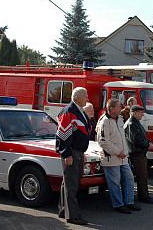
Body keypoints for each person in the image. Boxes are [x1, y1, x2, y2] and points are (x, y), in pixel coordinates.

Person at [96, 98, 141, 214]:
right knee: (115, 182)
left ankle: (129, 202)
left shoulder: (120, 119)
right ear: (111, 109)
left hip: (122, 157)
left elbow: (122, 137)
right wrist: (117, 152)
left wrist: (124, 152)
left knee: (129, 178)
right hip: (111, 158)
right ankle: (118, 204)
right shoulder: (104, 121)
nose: (121, 108)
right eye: (118, 107)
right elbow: (103, 141)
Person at [56, 87, 91, 226]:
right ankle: (73, 216)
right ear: (77, 97)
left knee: (68, 182)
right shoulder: (69, 111)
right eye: (85, 96)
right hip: (72, 152)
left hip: (78, 152)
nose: (87, 99)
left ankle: (64, 210)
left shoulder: (79, 111)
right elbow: (62, 135)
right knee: (71, 185)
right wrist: (67, 154)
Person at [124, 105, 153, 204]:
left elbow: (142, 136)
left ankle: (144, 195)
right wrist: (147, 144)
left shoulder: (135, 123)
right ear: (134, 113)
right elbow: (136, 139)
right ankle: (143, 197)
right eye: (140, 112)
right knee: (141, 176)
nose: (142, 114)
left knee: (143, 175)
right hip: (136, 154)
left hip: (140, 153)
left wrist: (149, 142)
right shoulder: (131, 124)